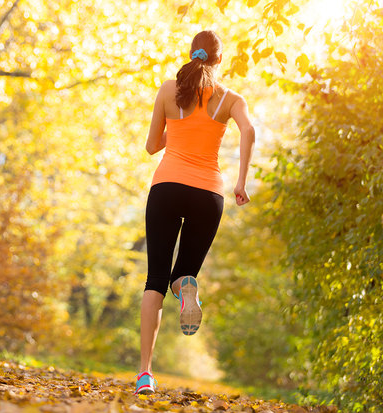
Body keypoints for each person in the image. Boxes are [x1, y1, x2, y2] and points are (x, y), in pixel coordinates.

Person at [134, 30, 256, 395]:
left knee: (154, 281)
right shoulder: (230, 99)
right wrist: (240, 182)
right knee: (181, 274)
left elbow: (152, 146)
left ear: (191, 55)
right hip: (208, 195)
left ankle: (145, 374)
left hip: (167, 188)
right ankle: (185, 285)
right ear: (219, 61)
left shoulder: (169, 91)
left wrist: (178, 128)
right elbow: (249, 131)